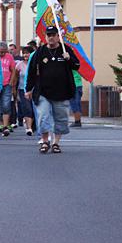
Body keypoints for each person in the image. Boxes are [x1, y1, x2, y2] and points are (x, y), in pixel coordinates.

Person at [25, 26, 80, 154]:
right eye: (48, 35)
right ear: (45, 37)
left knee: (60, 119)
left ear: (57, 36)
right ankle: (45, 141)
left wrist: (69, 58)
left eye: (53, 35)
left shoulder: (66, 49)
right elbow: (32, 71)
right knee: (43, 117)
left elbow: (77, 66)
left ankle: (56, 143)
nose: (50, 37)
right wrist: (28, 89)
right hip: (43, 91)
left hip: (62, 91)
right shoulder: (40, 52)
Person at [15, 46, 36, 136]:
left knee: (34, 109)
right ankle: (29, 128)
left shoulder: (35, 63)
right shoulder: (19, 64)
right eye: (24, 53)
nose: (25, 55)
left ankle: (33, 125)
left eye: (27, 52)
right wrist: (14, 92)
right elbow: (15, 78)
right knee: (27, 109)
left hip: (34, 90)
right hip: (22, 90)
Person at [0, 41, 16, 137]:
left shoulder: (9, 57)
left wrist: (11, 82)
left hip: (7, 84)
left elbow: (13, 70)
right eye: (1, 52)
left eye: (4, 52)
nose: (3, 54)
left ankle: (5, 126)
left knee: (6, 104)